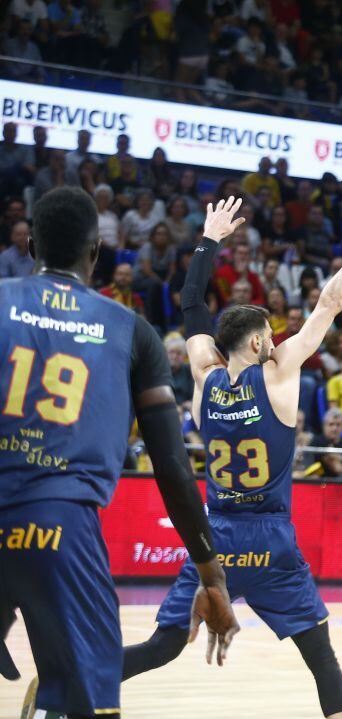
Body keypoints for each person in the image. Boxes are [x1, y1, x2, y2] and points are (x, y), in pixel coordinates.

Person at [121, 196, 342, 719]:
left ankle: (72, 682)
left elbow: (190, 302)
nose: (276, 340)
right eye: (269, 334)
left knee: (162, 647)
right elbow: (331, 303)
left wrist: (208, 240)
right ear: (254, 343)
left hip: (216, 537)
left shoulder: (203, 374)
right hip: (271, 540)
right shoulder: (277, 373)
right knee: (321, 658)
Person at [3, 187, 238, 719]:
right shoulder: (131, 331)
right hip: (59, 530)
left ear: (32, 242)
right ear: (95, 253)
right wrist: (210, 573)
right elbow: (173, 470)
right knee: (86, 699)